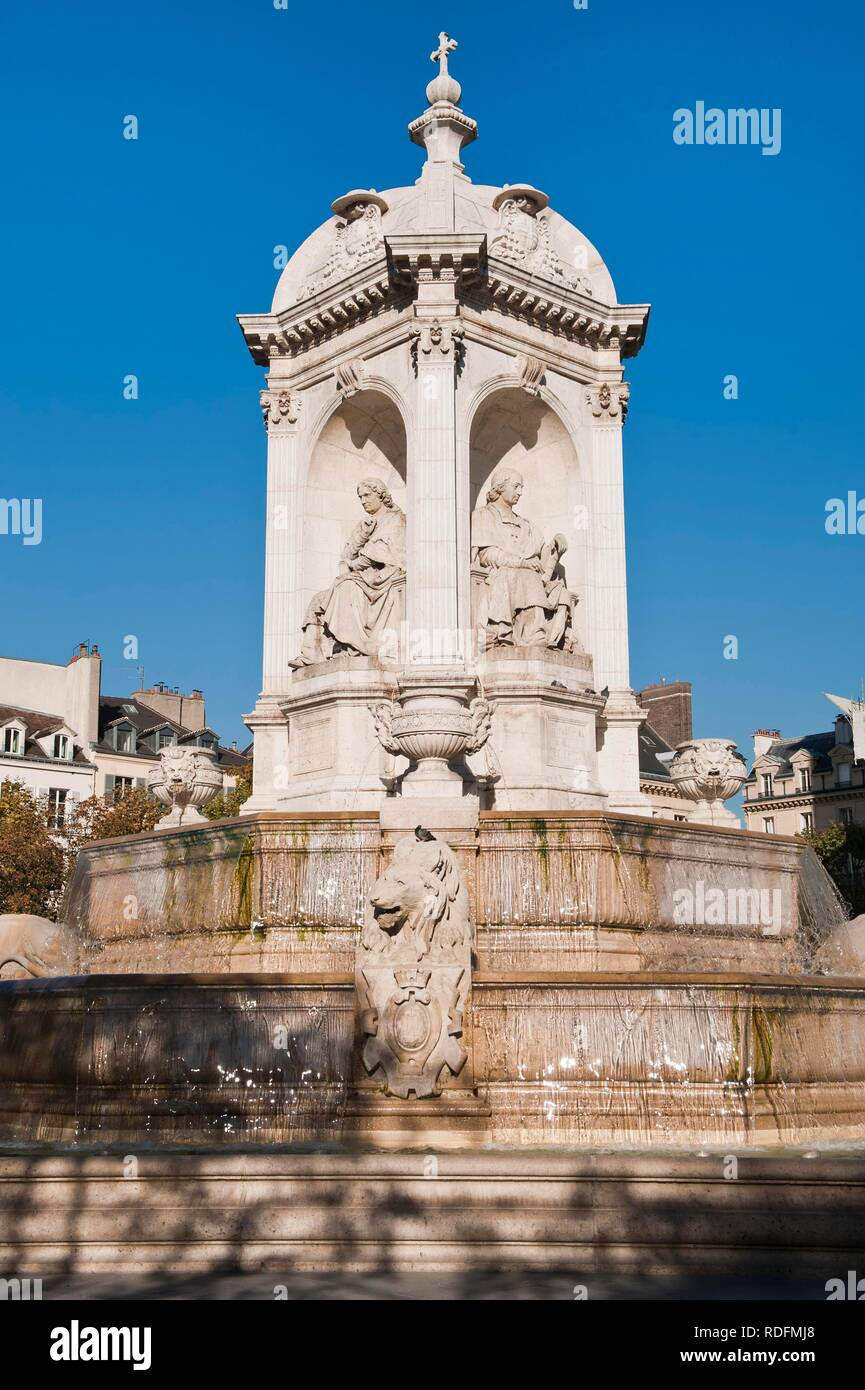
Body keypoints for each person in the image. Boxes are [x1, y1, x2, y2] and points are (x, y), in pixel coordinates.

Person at [291, 477, 405, 666]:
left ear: (380, 495)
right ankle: (311, 654)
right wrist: (362, 535)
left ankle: (353, 647)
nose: (363, 501)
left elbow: (381, 554)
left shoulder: (395, 518)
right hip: (363, 578)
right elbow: (346, 555)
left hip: (383, 578)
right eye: (360, 497)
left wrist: (353, 565)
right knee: (319, 599)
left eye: (367, 495)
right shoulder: (367, 523)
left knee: (346, 587)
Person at [471, 467, 578, 649]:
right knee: (526, 576)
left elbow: (542, 554)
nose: (520, 492)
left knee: (558, 590)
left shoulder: (525, 524)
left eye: (521, 487)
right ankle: (532, 634)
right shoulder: (483, 516)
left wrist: (555, 545)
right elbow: (486, 554)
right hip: (498, 574)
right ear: (500, 487)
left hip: (527, 574)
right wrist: (522, 563)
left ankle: (545, 636)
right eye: (516, 486)